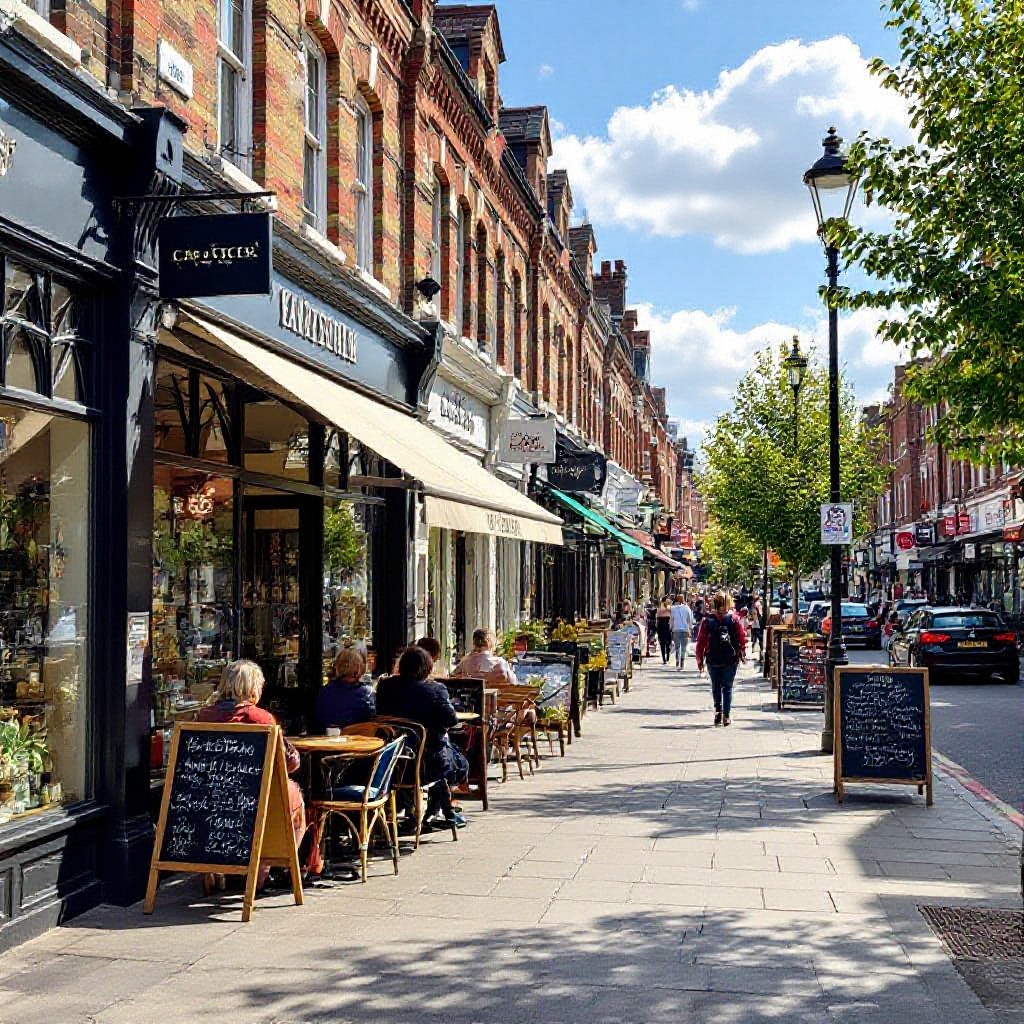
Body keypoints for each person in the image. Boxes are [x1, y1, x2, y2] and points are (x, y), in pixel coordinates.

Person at [198, 660, 322, 880]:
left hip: (212, 797)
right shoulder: (260, 719)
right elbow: (289, 764)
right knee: (293, 797)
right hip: (255, 795)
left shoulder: (204, 716)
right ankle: (271, 867)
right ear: (252, 688)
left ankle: (226, 867)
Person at [376, 646, 469, 828]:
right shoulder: (435, 690)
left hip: (392, 764)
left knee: (443, 752)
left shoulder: (386, 687)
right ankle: (438, 810)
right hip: (428, 766)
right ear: (428, 667)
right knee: (458, 762)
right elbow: (450, 720)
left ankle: (419, 810)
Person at [695, 591, 747, 727]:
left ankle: (718, 712)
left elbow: (701, 641)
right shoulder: (734, 619)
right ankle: (726, 715)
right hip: (731, 657)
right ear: (728, 603)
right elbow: (741, 637)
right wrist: (742, 652)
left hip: (713, 657)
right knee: (727, 687)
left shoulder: (707, 621)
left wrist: (699, 659)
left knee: (716, 686)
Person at [313, 648, 374, 733]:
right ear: (360, 667)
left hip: (327, 741)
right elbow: (372, 720)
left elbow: (317, 722)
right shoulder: (366, 693)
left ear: (337, 666)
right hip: (358, 742)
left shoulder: (324, 691)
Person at [452, 628, 516, 686]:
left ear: (474, 643)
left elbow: (454, 676)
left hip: (473, 697)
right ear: (490, 643)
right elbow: (513, 683)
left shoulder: (464, 662)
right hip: (497, 697)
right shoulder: (499, 662)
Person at [669, 594, 694, 669]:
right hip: (685, 630)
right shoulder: (687, 608)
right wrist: (690, 629)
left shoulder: (673, 608)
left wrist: (671, 628)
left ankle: (677, 662)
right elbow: (690, 620)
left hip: (676, 629)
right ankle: (682, 663)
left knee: (677, 647)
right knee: (683, 647)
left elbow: (671, 619)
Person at [655, 597, 673, 664]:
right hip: (666, 626)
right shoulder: (668, 609)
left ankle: (665, 659)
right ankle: (666, 658)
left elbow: (657, 620)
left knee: (664, 643)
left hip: (662, 626)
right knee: (667, 643)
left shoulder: (661, 609)